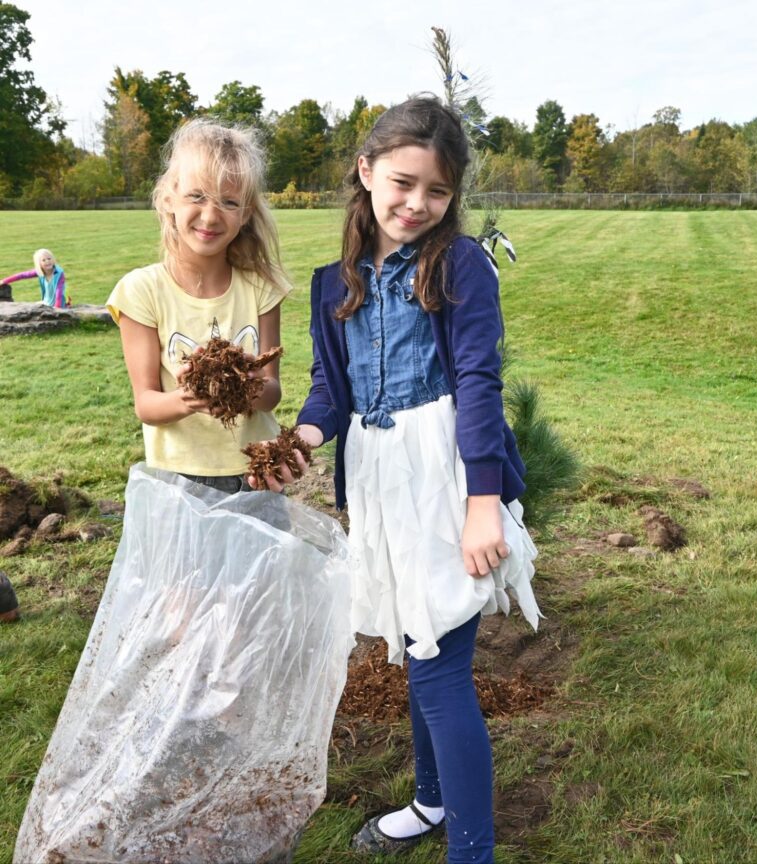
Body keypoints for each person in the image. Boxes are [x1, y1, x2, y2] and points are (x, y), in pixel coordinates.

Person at [249, 95, 540, 863]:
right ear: (366, 169)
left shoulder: (458, 263)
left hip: (446, 475)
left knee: (441, 666)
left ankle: (470, 853)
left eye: (437, 191)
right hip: (379, 482)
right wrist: (304, 437)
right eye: (404, 183)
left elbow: (478, 377)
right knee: (417, 644)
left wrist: (483, 504)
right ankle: (431, 800)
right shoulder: (331, 282)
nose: (417, 204)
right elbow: (330, 391)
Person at [106, 118, 290, 491]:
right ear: (168, 197)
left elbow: (272, 393)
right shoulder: (141, 291)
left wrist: (250, 387)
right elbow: (147, 405)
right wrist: (193, 397)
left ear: (247, 214)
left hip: (255, 473)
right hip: (178, 479)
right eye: (197, 196)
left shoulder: (261, 288)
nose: (209, 215)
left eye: (228, 202)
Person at [1, 248, 71, 307]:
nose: (47, 261)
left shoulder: (58, 273)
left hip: (58, 304)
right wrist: (4, 281)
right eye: (43, 260)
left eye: (49, 258)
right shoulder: (41, 272)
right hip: (47, 301)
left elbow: (59, 291)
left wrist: (57, 307)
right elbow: (22, 275)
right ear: (39, 263)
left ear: (53, 259)